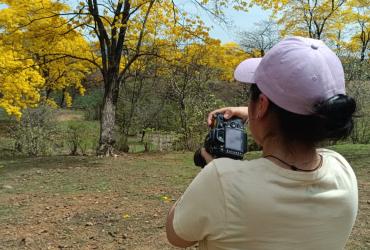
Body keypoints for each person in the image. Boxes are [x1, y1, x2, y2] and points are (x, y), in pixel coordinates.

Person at [166, 36, 358, 249]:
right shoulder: (342, 171)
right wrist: (252, 112)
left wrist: (210, 172)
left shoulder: (221, 180)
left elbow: (176, 236)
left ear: (262, 105)